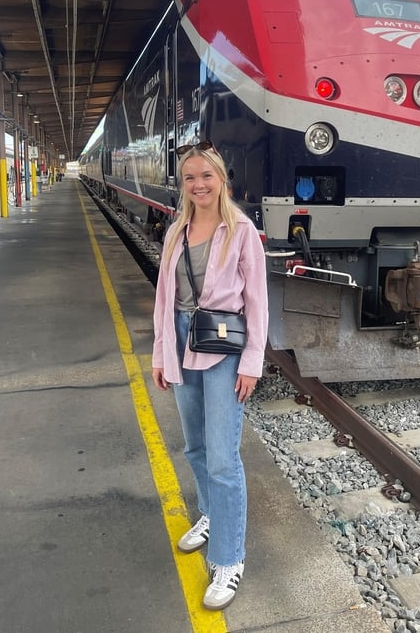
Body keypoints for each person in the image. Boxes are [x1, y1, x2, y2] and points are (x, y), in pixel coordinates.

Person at [152, 141, 268, 610]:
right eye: (190, 178)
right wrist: (161, 354)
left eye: (207, 176)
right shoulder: (176, 230)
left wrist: (252, 362)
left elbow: (257, 301)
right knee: (195, 446)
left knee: (223, 457)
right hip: (181, 341)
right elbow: (164, 298)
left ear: (222, 180)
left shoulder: (241, 231)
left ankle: (229, 557)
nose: (198, 185)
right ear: (183, 185)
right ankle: (210, 516)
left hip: (222, 346)